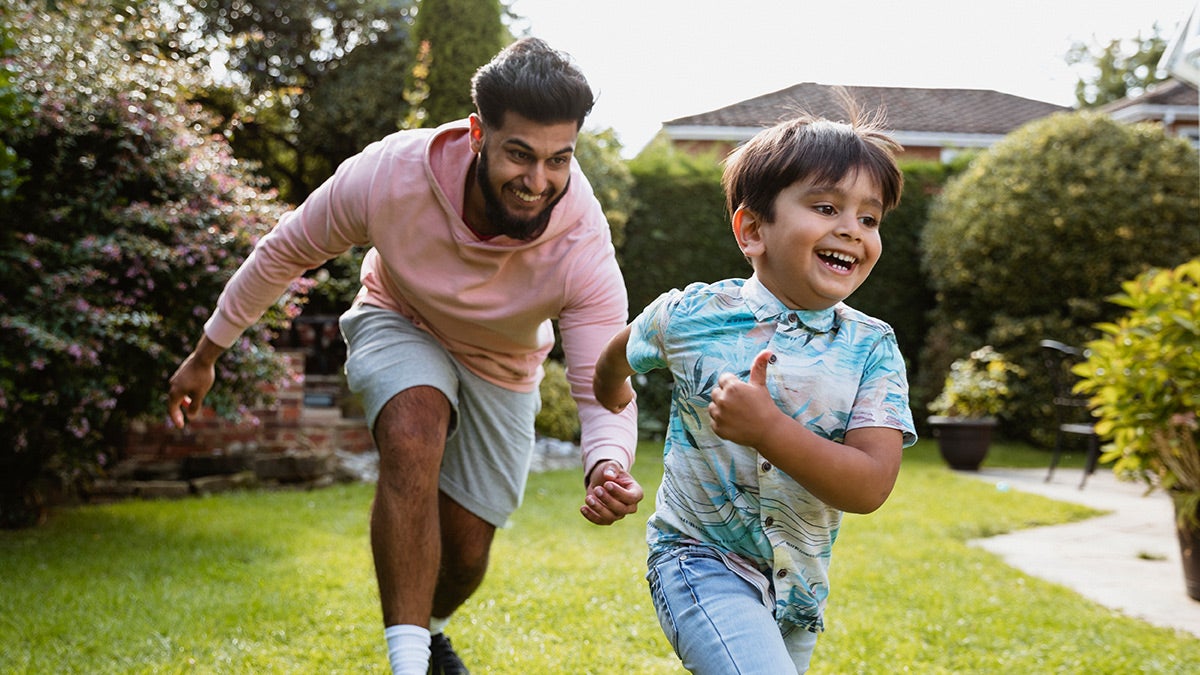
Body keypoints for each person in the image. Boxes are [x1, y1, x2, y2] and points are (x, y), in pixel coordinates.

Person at [167, 37, 644, 675]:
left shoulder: (581, 241)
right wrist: (207, 351)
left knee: (468, 553)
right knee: (412, 427)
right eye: (520, 155)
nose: (538, 182)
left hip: (504, 364)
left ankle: (431, 632)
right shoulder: (391, 174)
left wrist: (607, 462)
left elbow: (599, 380)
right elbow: (285, 251)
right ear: (478, 133)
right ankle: (408, 664)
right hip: (400, 316)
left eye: (559, 160)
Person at [592, 109, 917, 674]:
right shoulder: (691, 314)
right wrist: (613, 393)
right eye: (826, 207)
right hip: (696, 558)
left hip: (798, 590)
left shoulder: (872, 348)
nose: (852, 230)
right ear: (752, 231)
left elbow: (869, 486)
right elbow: (621, 350)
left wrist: (768, 429)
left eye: (870, 218)